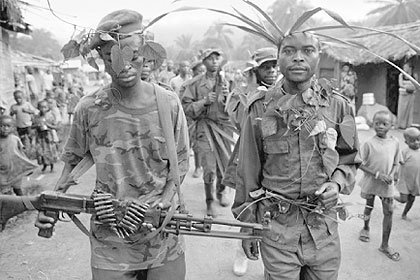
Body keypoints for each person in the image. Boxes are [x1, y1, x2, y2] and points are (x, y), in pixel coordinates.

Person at [35, 9, 189, 280]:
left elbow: (181, 162)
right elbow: (72, 164)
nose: (124, 66)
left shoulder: (168, 103)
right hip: (110, 238)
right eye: (112, 57)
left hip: (160, 232)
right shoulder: (89, 108)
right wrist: (50, 205)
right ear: (102, 60)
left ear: (147, 56)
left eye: (133, 56)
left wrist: (165, 202)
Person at [233, 33, 360, 280]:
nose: (298, 58)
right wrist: (248, 228)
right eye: (289, 51)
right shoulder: (260, 108)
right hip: (277, 229)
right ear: (279, 57)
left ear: (318, 56)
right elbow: (247, 171)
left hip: (323, 231)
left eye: (308, 51)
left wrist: (335, 184)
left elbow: (349, 158)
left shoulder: (337, 106)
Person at [225, 47, 279, 277]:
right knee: (250, 205)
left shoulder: (285, 91)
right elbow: (238, 122)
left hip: (277, 159)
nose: (271, 71)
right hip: (252, 154)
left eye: (274, 66)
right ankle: (242, 249)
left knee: (274, 214)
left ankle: (274, 265)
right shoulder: (242, 94)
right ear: (255, 70)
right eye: (265, 67)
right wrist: (250, 89)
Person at [182, 48, 232, 217]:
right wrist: (204, 101)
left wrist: (228, 99)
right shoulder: (195, 84)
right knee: (209, 167)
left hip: (224, 129)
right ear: (203, 62)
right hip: (205, 128)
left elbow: (239, 107)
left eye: (217, 58)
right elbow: (186, 108)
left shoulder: (229, 82)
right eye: (210, 59)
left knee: (224, 165)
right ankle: (209, 201)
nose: (214, 62)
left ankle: (221, 191)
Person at [358, 110, 401, 262]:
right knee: (369, 205)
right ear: (372, 124)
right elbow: (359, 164)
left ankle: (384, 244)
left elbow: (396, 163)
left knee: (388, 211)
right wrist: (377, 174)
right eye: (377, 123)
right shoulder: (369, 143)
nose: (380, 126)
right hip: (371, 182)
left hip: (387, 185)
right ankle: (366, 227)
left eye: (384, 124)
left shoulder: (395, 142)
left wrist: (392, 174)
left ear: (392, 125)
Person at [0, 115, 38, 230]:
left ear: (13, 127)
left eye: (8, 126)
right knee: (4, 193)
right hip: (2, 171)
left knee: (18, 189)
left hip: (15, 169)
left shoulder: (15, 139)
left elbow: (21, 154)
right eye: (2, 126)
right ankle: (4, 215)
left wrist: (26, 167)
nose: (4, 128)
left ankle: (26, 205)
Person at [179, 60, 206, 179]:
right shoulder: (186, 86)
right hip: (189, 120)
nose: (201, 73)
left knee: (199, 146)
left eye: (203, 71)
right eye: (199, 71)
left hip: (204, 121)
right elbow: (182, 105)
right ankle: (182, 167)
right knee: (186, 144)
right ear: (193, 72)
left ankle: (198, 167)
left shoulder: (208, 85)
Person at [394, 127, 420, 221]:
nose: (416, 142)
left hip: (416, 181)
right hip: (405, 180)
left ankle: (404, 214)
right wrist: (395, 175)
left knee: (412, 198)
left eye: (418, 139)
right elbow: (398, 164)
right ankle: (391, 196)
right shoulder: (404, 152)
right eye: (413, 141)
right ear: (406, 142)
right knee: (403, 199)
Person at [32, 99, 59, 172]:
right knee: (41, 151)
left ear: (48, 107)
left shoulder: (50, 116)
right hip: (40, 137)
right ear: (38, 108)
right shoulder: (37, 117)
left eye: (45, 107)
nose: (43, 109)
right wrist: (37, 125)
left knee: (50, 151)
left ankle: (52, 166)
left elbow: (56, 127)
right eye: (41, 107)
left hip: (49, 136)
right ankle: (44, 165)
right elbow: (32, 126)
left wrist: (48, 125)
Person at [397, 62, 418, 129]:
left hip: (411, 94)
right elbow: (401, 85)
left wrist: (411, 88)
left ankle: (408, 124)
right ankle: (400, 124)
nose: (404, 68)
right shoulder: (401, 75)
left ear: (410, 68)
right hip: (403, 94)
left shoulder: (414, 75)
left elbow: (416, 85)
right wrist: (408, 87)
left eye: (406, 67)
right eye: (404, 67)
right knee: (402, 109)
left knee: (409, 109)